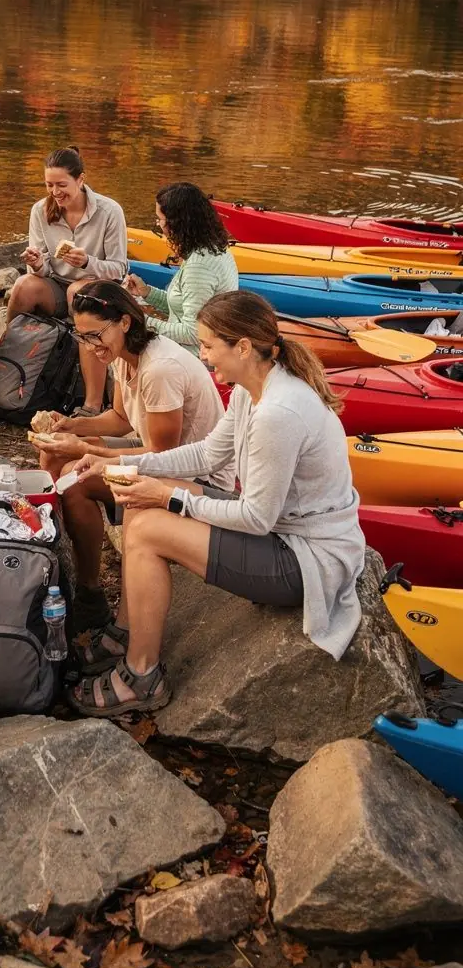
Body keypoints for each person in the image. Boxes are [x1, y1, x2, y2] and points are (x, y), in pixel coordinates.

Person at [67, 289, 366, 718]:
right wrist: (125, 463)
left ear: (242, 346)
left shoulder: (278, 413)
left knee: (150, 528)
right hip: (283, 533)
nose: (203, 356)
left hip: (305, 559)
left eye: (208, 345)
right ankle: (125, 631)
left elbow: (256, 518)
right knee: (139, 499)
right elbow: (207, 455)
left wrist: (171, 498)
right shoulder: (253, 387)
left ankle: (142, 675)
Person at [34, 281, 233, 631]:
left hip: (195, 475)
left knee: (73, 479)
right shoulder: (123, 356)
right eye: (83, 337)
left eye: (96, 335)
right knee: (56, 459)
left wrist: (87, 450)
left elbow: (164, 454)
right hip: (158, 454)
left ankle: (93, 594)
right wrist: (71, 426)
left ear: (125, 322)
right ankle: (78, 580)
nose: (91, 346)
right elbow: (122, 419)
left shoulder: (159, 369)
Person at [6, 146, 127, 415]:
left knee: (78, 291)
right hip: (56, 286)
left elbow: (119, 269)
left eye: (62, 184)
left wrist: (87, 263)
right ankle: (4, 368)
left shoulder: (109, 211)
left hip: (96, 289)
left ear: (81, 180)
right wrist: (36, 263)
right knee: (23, 286)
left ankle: (92, 403)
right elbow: (43, 268)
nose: (55, 192)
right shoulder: (40, 210)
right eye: (49, 185)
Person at [126, 183, 238, 355]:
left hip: (194, 357)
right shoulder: (215, 249)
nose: (159, 224)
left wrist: (141, 321)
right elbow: (183, 306)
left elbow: (193, 333)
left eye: (160, 219)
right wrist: (147, 292)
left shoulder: (199, 266)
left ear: (176, 223)